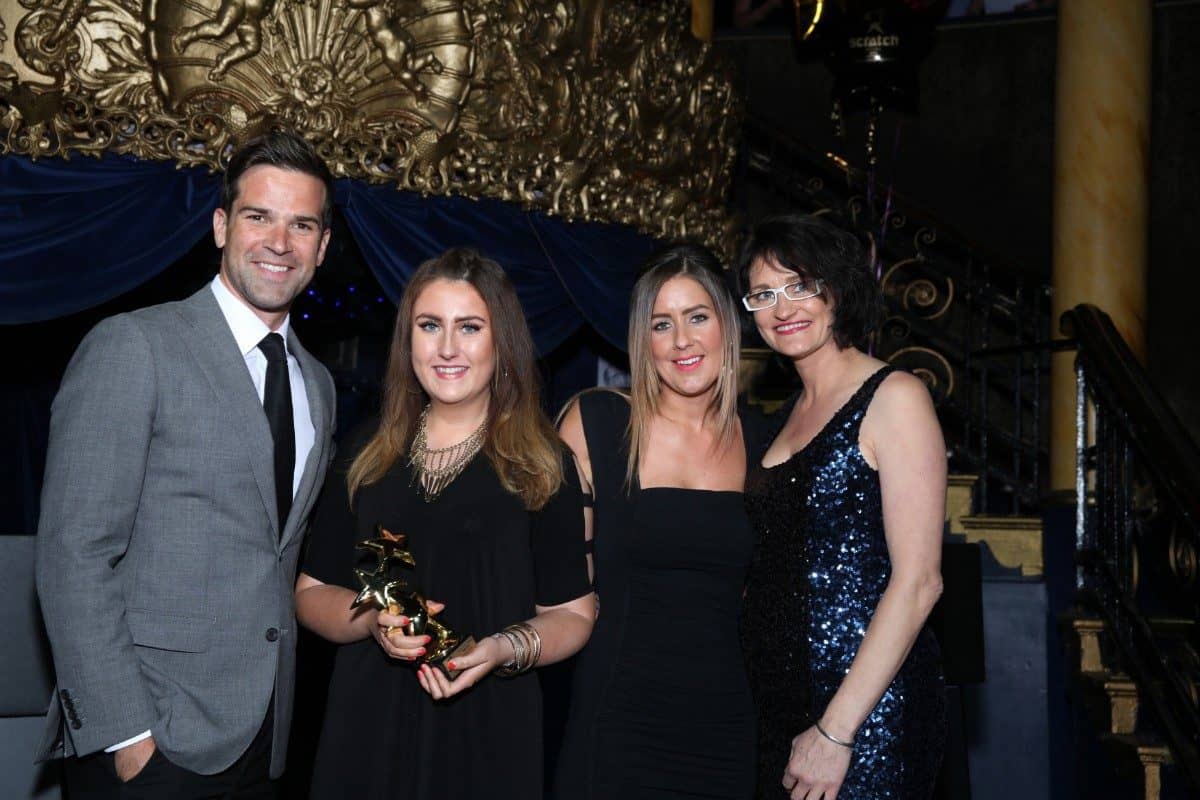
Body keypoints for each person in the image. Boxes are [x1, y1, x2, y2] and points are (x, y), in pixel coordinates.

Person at [35, 128, 338, 797]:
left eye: (302, 224)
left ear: (322, 246)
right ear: (221, 227)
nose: (279, 242)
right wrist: (128, 740)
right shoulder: (134, 345)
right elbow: (73, 552)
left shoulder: (317, 383)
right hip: (153, 740)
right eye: (258, 217)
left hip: (266, 741)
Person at [295, 247, 595, 799]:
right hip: (366, 729)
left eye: (470, 327)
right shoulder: (365, 453)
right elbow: (312, 592)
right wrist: (370, 622)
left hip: (487, 733)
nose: (448, 347)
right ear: (407, 339)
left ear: (501, 341)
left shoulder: (543, 464)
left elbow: (573, 615)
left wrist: (502, 648)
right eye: (430, 325)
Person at [738, 213, 946, 800]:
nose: (783, 308)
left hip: (862, 715)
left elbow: (920, 582)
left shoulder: (895, 397)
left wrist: (837, 730)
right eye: (763, 294)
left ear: (836, 289)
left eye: (800, 285)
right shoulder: (784, 417)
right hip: (782, 709)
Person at [553, 243, 757, 800]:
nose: (682, 340)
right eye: (661, 324)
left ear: (727, 323)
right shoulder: (597, 422)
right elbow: (554, 584)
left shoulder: (763, 441)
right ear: (643, 340)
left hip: (728, 726)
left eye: (698, 317)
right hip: (617, 721)